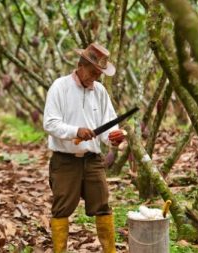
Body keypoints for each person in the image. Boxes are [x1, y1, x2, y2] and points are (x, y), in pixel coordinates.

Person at [43, 42, 125, 253]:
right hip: (65, 160)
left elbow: (109, 125)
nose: (95, 77)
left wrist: (113, 138)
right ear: (80, 65)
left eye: (99, 74)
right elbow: (50, 123)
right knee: (61, 209)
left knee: (103, 206)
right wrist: (75, 131)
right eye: (92, 72)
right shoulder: (60, 87)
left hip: (92, 160)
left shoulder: (100, 91)